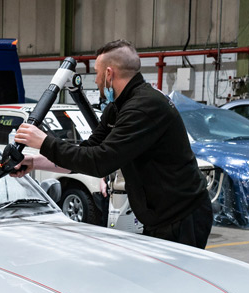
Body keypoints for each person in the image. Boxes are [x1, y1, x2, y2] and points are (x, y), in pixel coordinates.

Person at [11, 39, 213, 249]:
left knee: (177, 280)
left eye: (97, 74)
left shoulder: (144, 107)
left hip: (183, 216)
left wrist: (44, 141)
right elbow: (86, 153)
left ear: (109, 74)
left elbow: (101, 162)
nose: (96, 81)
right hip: (160, 217)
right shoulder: (118, 108)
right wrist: (34, 161)